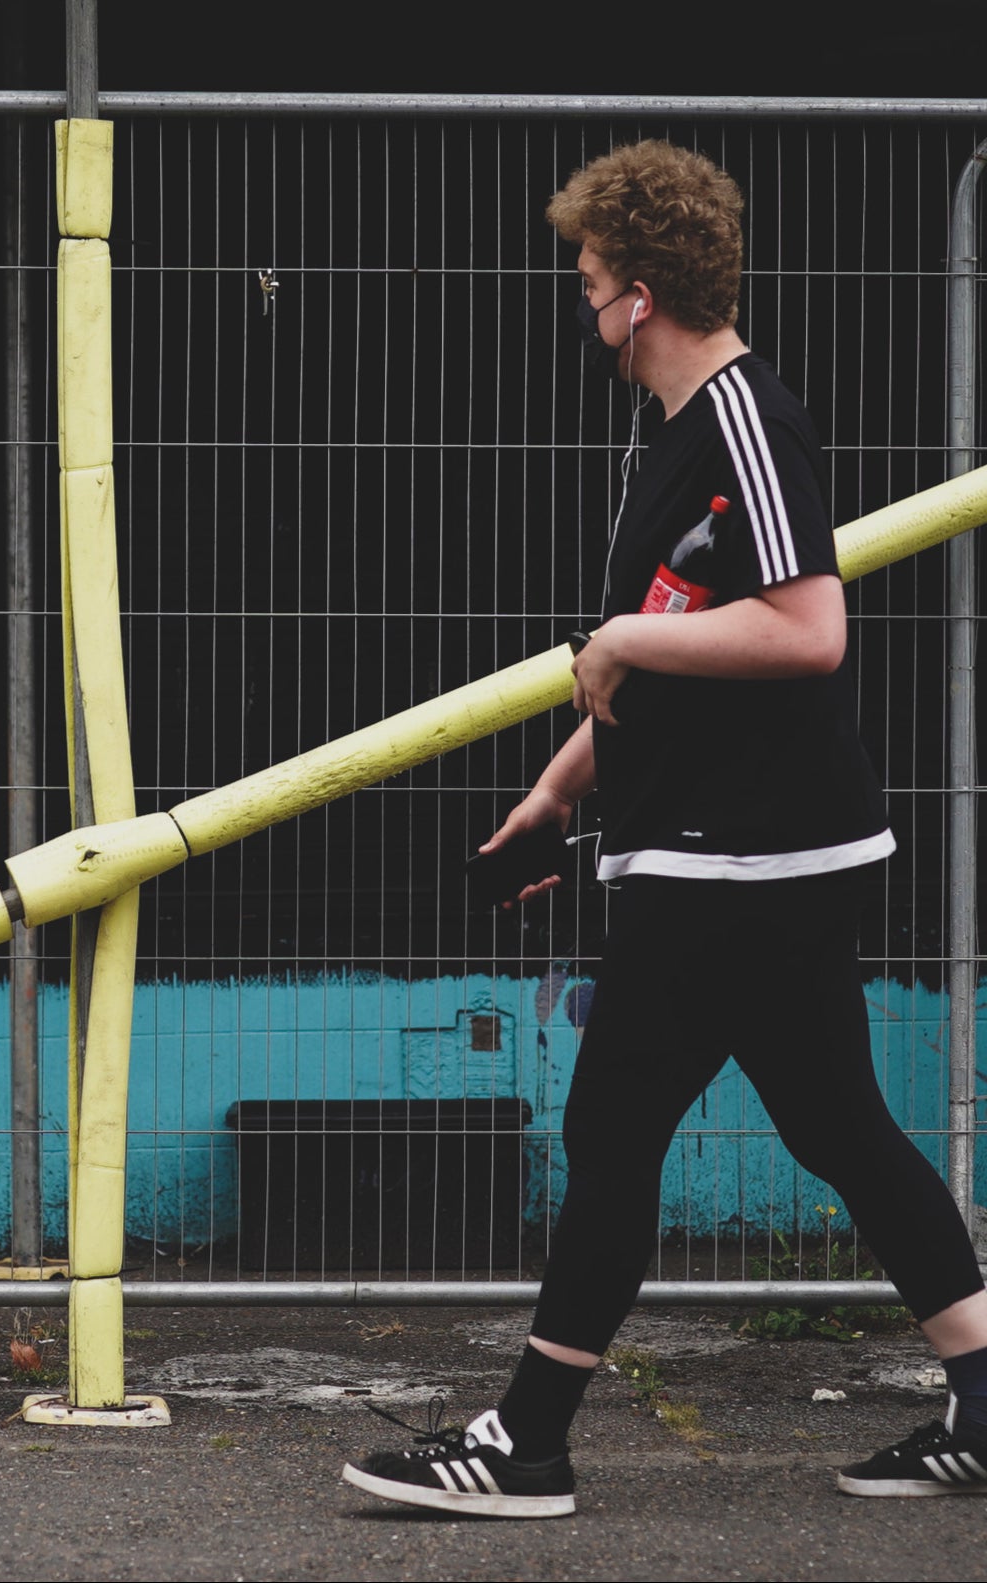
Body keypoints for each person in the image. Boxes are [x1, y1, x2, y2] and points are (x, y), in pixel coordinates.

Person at [341, 139, 987, 1518]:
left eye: (588, 284)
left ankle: (529, 1443)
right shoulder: (682, 440)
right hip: (732, 850)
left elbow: (810, 633)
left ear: (641, 294)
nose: (583, 311)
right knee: (840, 1123)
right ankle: (986, 1400)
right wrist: (559, 791)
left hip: (740, 862)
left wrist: (617, 634)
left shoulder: (747, 421)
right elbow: (686, 647)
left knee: (614, 1125)